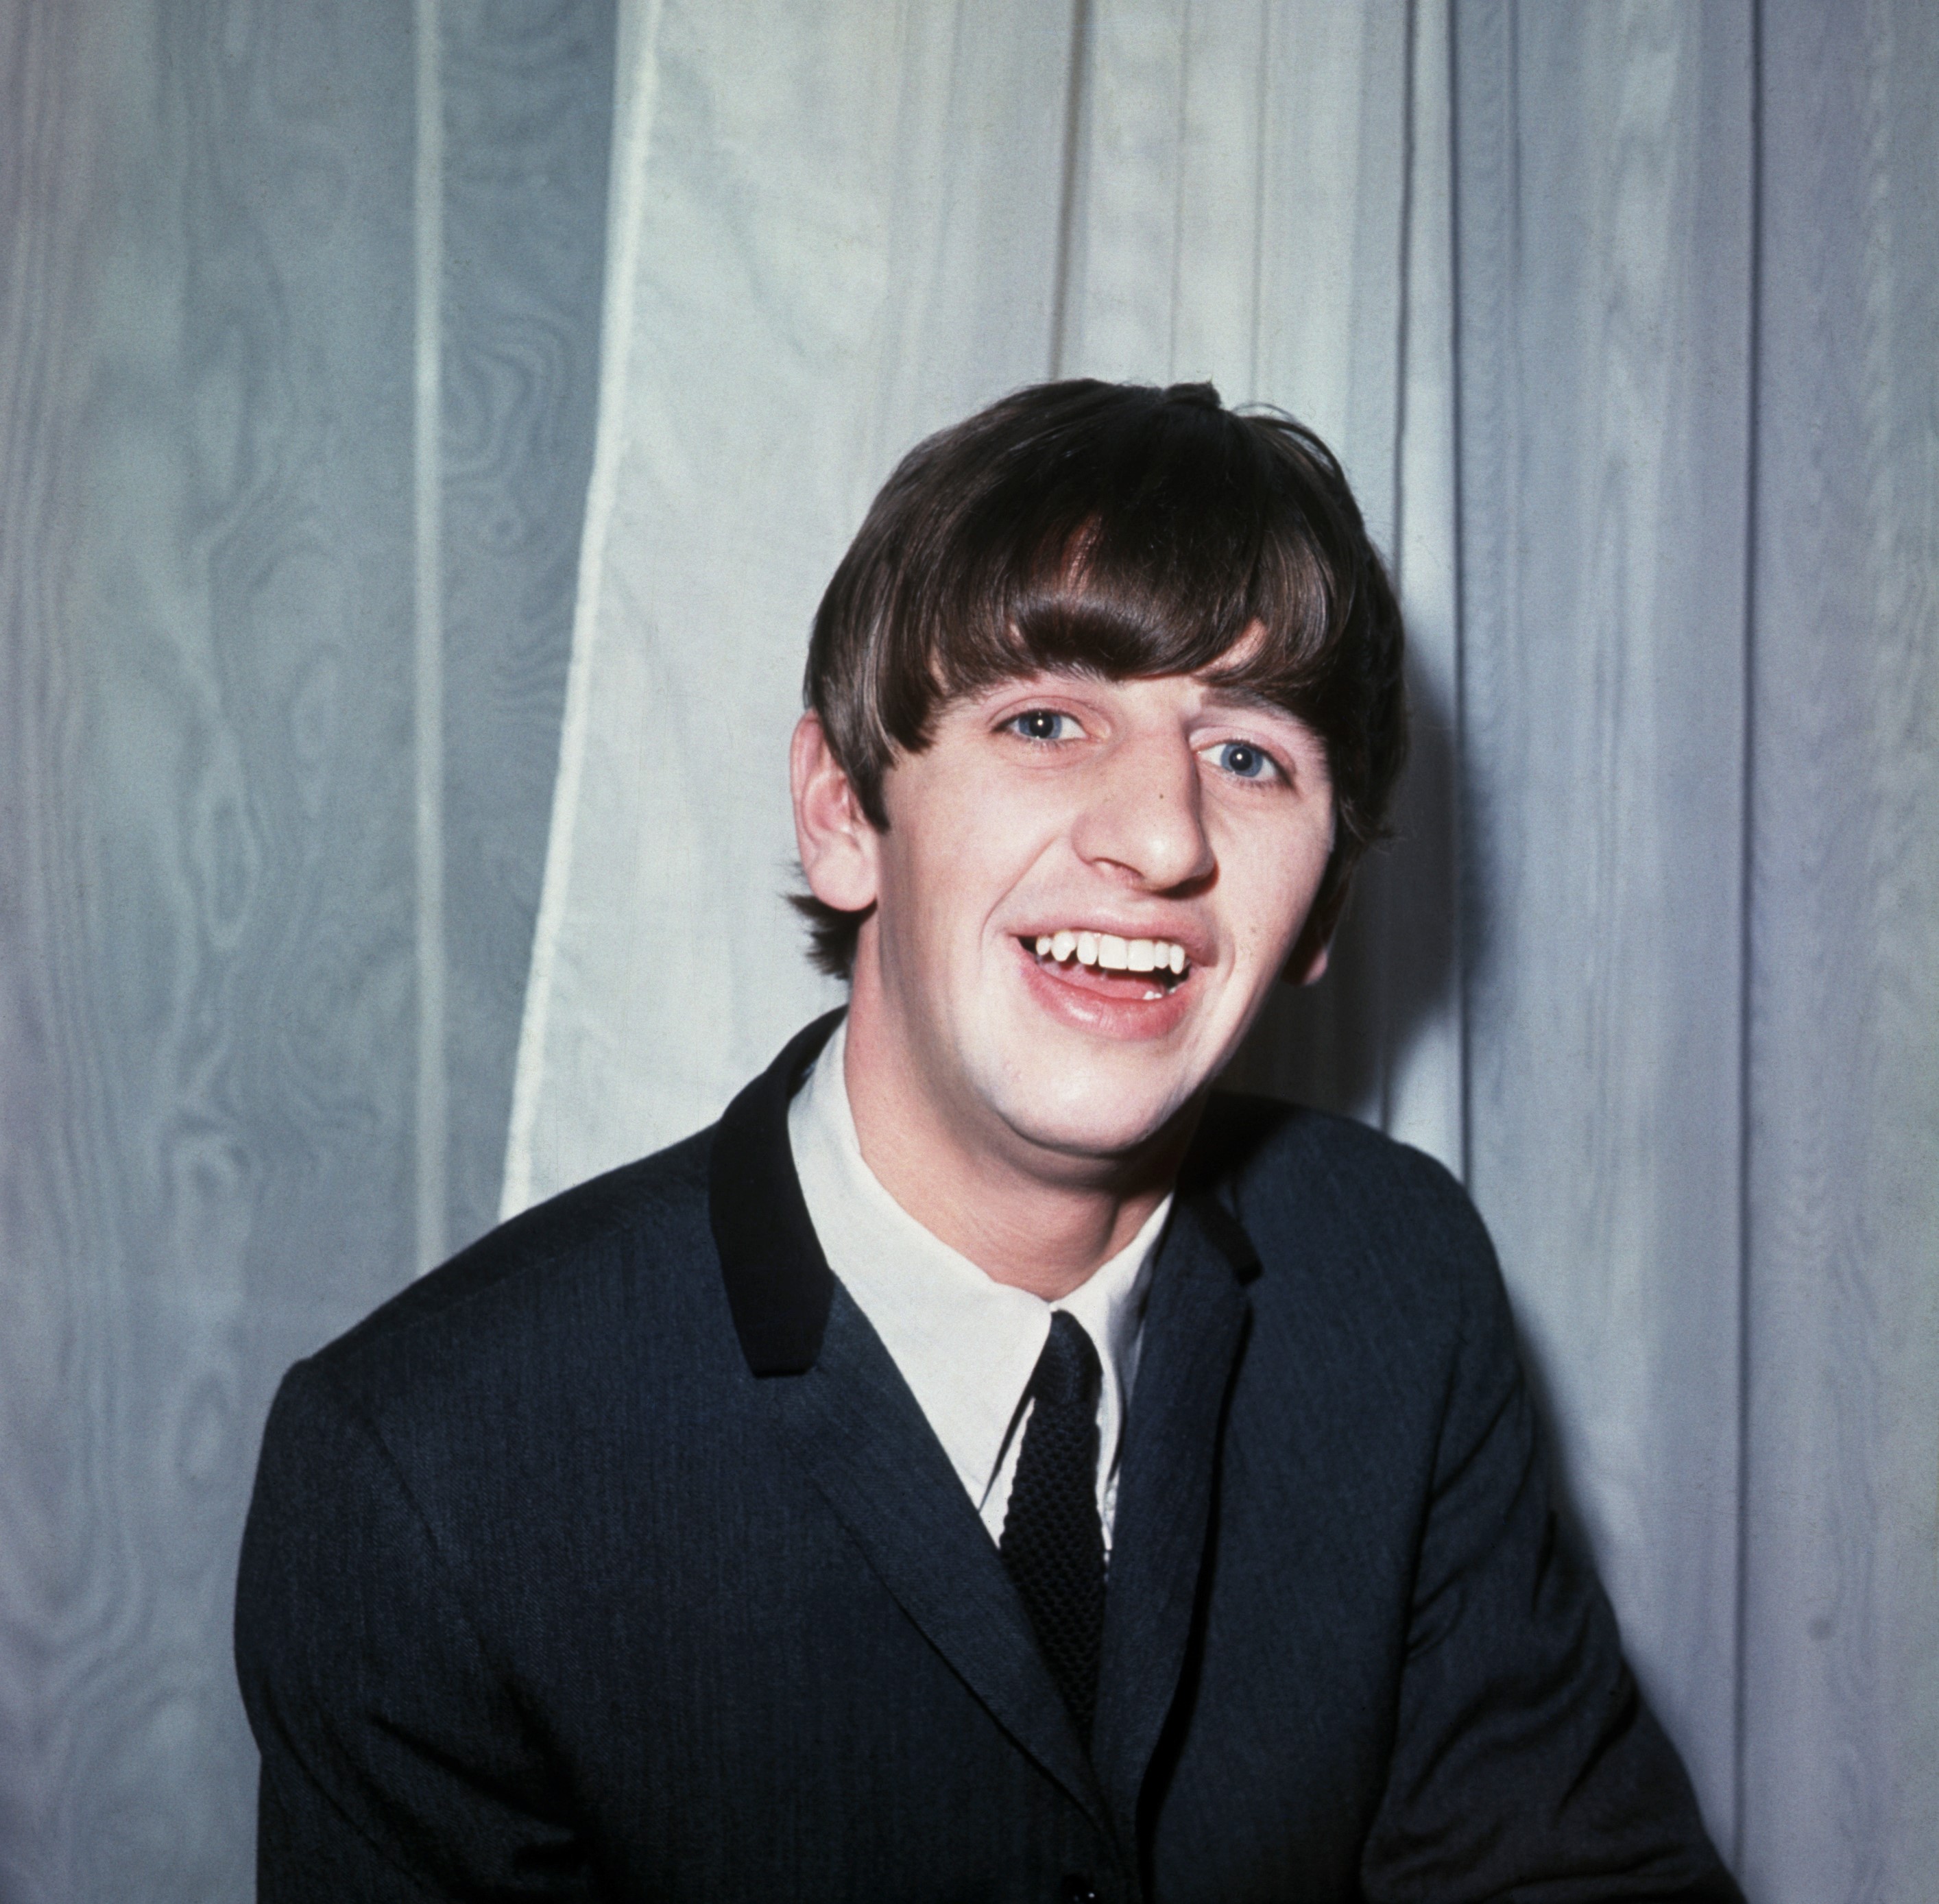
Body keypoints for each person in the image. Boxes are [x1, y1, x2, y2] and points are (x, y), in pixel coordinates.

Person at [235, 380, 1741, 1901]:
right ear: (841, 814)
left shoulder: (1392, 1279)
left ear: (1322, 916)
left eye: (1248, 758)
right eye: (1044, 720)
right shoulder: (429, 1469)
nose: (1160, 837)